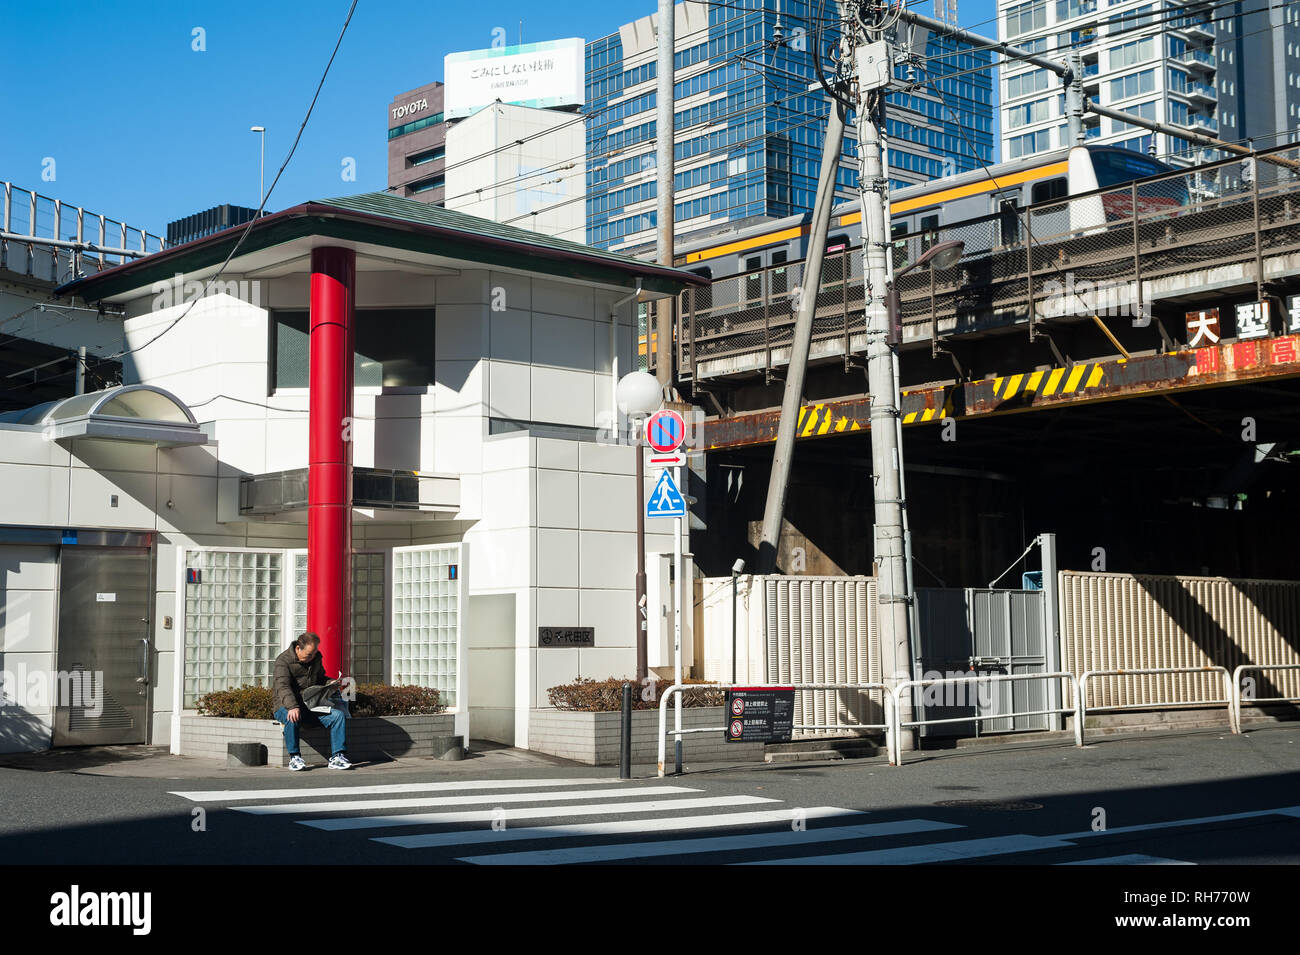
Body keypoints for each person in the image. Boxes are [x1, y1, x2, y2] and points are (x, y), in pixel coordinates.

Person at [272, 632, 351, 770]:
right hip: (286, 705)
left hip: (310, 705)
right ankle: (294, 757)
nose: (312, 657)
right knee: (292, 717)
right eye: (309, 654)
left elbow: (320, 678)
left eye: (314, 653)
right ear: (298, 648)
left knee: (337, 716)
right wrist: (292, 706)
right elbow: (282, 686)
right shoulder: (283, 661)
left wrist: (331, 683)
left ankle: (338, 756)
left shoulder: (315, 659)